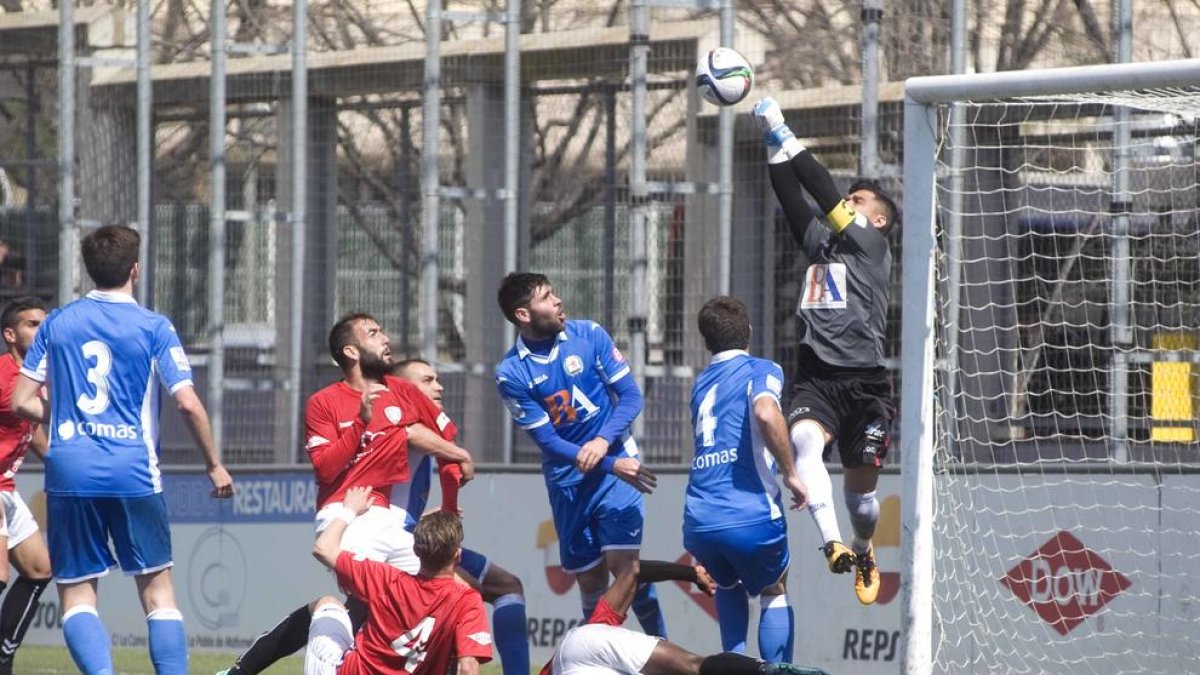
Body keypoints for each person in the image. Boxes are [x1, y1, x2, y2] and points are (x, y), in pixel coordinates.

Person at [11, 224, 235, 674]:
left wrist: (69, 415)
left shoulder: (57, 322)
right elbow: (187, 402)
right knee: (157, 590)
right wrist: (214, 465)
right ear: (135, 269)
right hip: (133, 471)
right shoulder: (154, 326)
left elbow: (20, 400)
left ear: (88, 269)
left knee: (77, 592)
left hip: (70, 470)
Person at [217, 314, 475, 675]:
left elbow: (446, 444)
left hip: (385, 520)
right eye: (373, 333)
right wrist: (361, 422)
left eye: (382, 330)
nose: (385, 338)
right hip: (345, 512)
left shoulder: (403, 392)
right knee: (364, 605)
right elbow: (325, 468)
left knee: (451, 593)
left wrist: (452, 494)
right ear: (350, 351)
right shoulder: (324, 402)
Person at [752, 97, 900, 605]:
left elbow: (818, 186)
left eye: (858, 202)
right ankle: (831, 543)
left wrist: (783, 127)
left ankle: (861, 544)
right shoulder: (822, 245)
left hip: (866, 384)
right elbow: (793, 196)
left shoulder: (870, 247)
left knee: (861, 499)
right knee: (803, 443)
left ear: (876, 222)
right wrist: (772, 145)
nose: (849, 204)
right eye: (850, 200)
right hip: (817, 376)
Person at [494, 272, 665, 635]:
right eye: (547, 296)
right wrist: (604, 460)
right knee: (590, 583)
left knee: (626, 568)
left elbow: (631, 396)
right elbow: (550, 443)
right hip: (570, 483)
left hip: (618, 470)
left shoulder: (589, 334)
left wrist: (604, 444)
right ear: (523, 314)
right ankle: (596, 662)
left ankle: (662, 653)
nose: (558, 301)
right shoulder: (511, 373)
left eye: (555, 293)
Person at [684, 296, 808, 660]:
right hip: (748, 513)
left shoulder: (700, 384)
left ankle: (732, 669)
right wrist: (791, 474)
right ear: (749, 331)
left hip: (699, 519)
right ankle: (777, 670)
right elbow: (767, 413)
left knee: (727, 584)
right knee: (773, 587)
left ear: (707, 342)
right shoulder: (761, 368)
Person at [392, 358, 529, 675]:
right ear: (401, 387)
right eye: (427, 380)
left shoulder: (424, 425)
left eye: (437, 379)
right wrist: (460, 454)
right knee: (462, 601)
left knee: (506, 586)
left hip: (410, 535)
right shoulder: (400, 418)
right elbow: (410, 434)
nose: (438, 386)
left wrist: (430, 513)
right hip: (393, 545)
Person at [305, 486, 493, 675]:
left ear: (416, 551)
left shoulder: (384, 578)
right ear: (458, 556)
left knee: (326, 604)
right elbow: (468, 667)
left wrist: (349, 510)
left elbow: (323, 548)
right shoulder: (467, 601)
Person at [540, 557, 829, 675]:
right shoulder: (596, 629)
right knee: (695, 665)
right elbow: (634, 569)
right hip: (582, 640)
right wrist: (691, 573)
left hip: (573, 658)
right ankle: (767, 670)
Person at [0, 296, 53, 674]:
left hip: (7, 487)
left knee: (38, 569)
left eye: (44, 323)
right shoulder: (5, 377)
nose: (41, 329)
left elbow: (28, 427)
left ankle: (4, 655)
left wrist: (54, 459)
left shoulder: (35, 378)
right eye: (32, 324)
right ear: (10, 334)